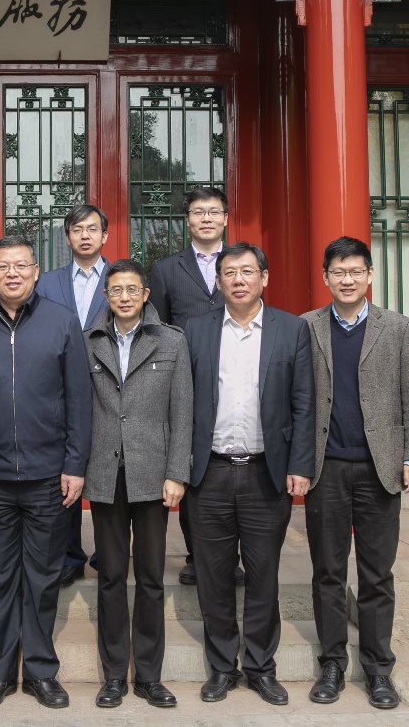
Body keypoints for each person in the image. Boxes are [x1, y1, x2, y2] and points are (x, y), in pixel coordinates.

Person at [0, 235, 92, 710]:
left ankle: (39, 672)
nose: (12, 273)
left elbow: (79, 400)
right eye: (2, 267)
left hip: (48, 476)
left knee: (42, 577)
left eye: (21, 266)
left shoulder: (62, 321)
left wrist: (74, 464)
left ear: (36, 272)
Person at [183, 242, 315, 706]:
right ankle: (223, 666)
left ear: (264, 278)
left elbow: (304, 402)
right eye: (229, 273)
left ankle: (260, 666)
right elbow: (182, 404)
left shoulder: (291, 329)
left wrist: (300, 464)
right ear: (218, 282)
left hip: (266, 473)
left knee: (263, 574)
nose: (238, 280)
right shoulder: (195, 330)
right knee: (214, 576)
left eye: (247, 271)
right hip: (210, 472)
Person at [302, 236, 409, 710]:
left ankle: (378, 670)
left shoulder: (397, 328)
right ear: (326, 277)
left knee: (376, 574)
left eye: (356, 271)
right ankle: (333, 664)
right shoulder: (306, 327)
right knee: (328, 572)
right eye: (339, 272)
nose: (348, 279)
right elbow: (297, 400)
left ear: (370, 275)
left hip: (381, 468)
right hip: (326, 469)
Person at [84, 259, 192, 710]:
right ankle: (114, 675)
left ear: (146, 294)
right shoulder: (88, 342)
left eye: (132, 289)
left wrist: (177, 473)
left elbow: (182, 412)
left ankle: (148, 675)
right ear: (106, 296)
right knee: (110, 575)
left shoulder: (171, 340)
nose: (124, 297)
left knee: (150, 577)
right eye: (116, 290)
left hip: (152, 473)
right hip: (105, 473)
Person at [147, 187, 230, 587]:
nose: (206, 218)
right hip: (188, 383)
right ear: (188, 220)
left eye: (214, 211)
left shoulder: (241, 263)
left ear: (226, 218)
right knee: (193, 469)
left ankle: (231, 557)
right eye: (199, 212)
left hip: (237, 380)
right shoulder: (166, 269)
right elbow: (158, 329)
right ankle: (198, 555)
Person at [36, 204, 110, 587]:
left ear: (104, 235)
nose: (85, 235)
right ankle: (68, 555)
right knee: (64, 471)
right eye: (77, 229)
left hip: (112, 388)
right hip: (58, 388)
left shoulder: (120, 278)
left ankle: (107, 552)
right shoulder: (47, 283)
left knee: (107, 469)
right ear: (67, 237)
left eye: (92, 229)